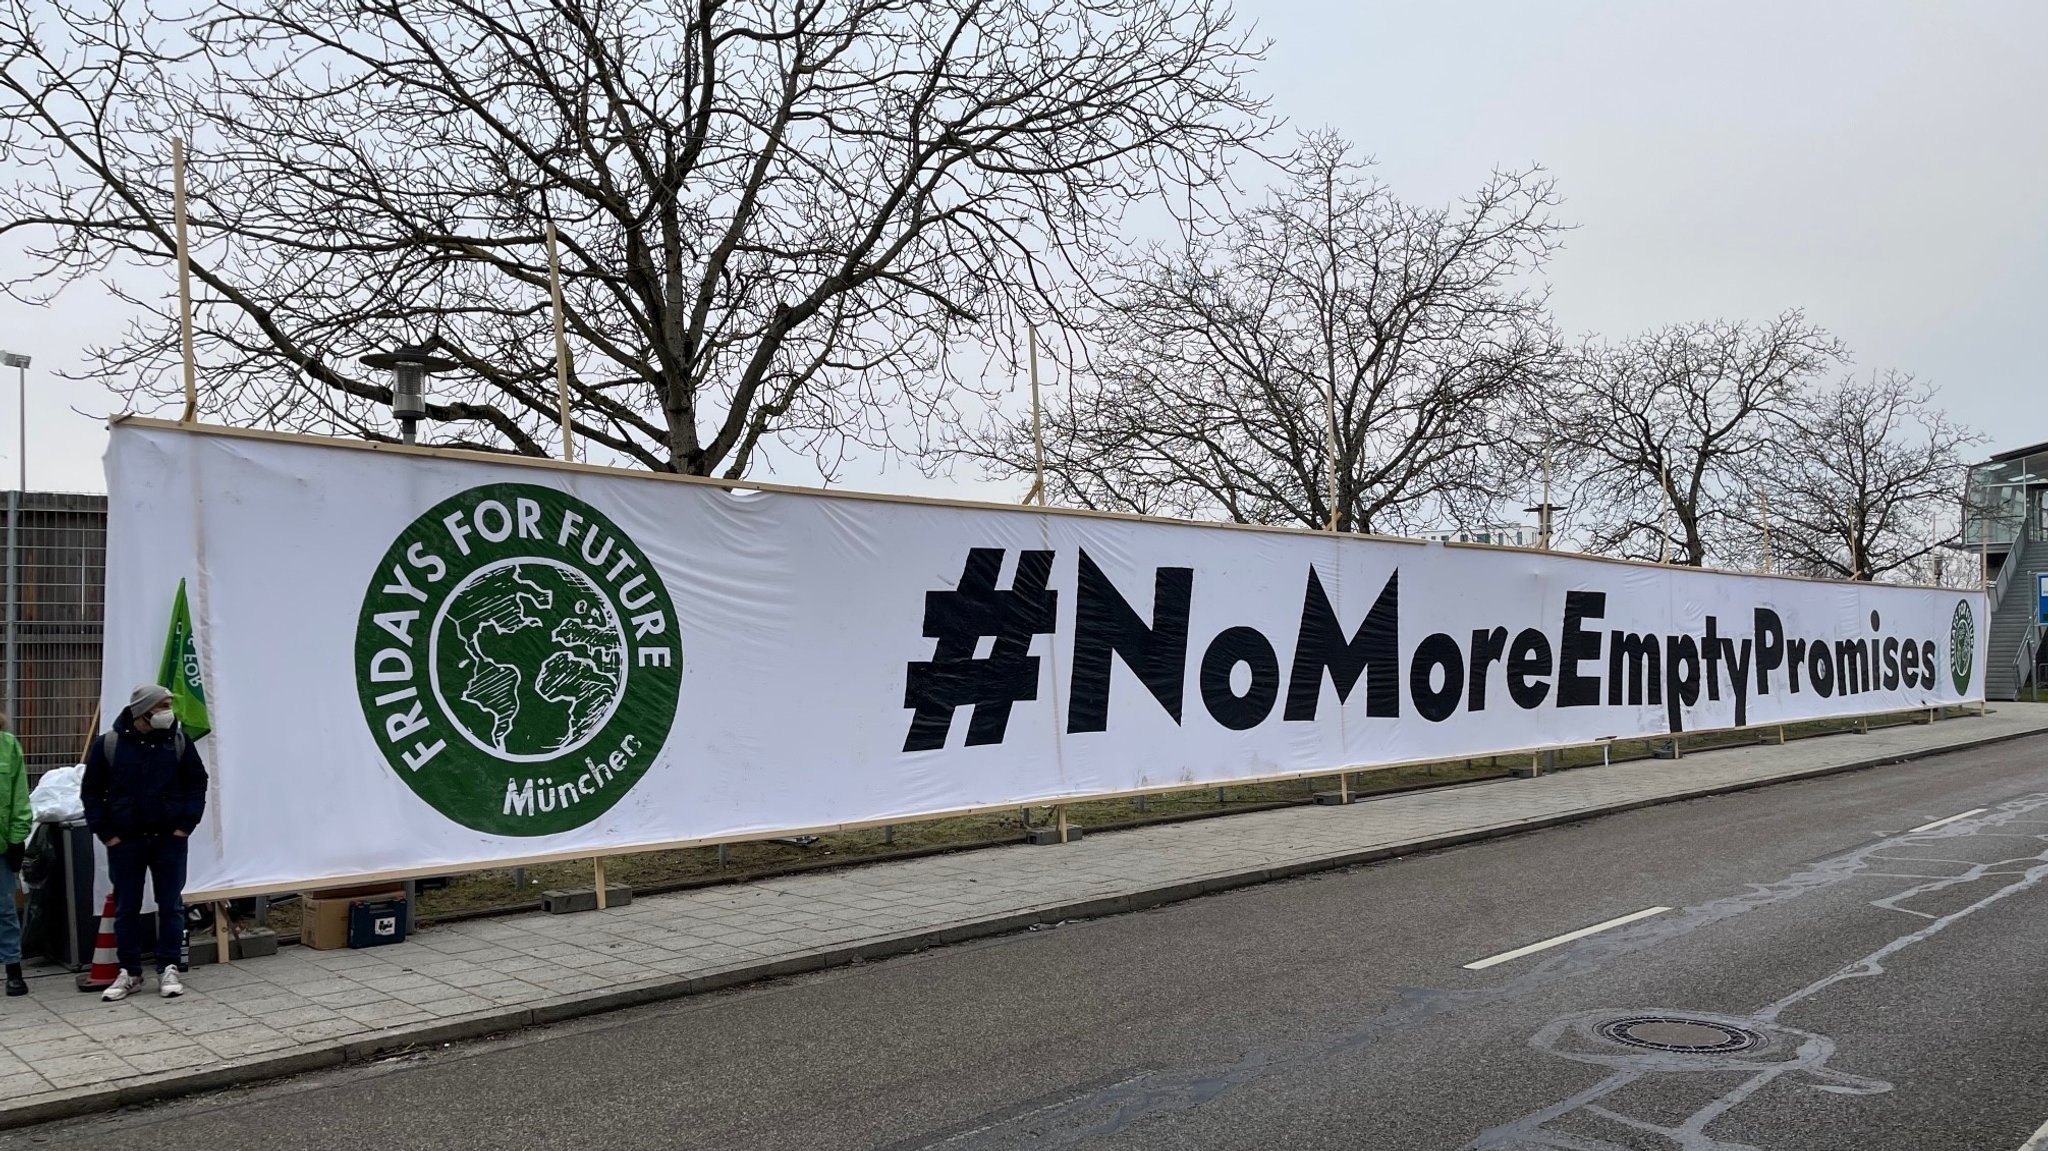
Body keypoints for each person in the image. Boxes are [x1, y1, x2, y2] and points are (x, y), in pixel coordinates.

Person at [82, 684, 207, 1001]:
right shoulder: (109, 745)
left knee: (171, 905)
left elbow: (197, 781)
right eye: (163, 705)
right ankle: (130, 972)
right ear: (143, 711)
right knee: (127, 908)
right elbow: (91, 792)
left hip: (169, 840)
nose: (169, 712)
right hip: (126, 842)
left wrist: (185, 824)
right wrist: (106, 833)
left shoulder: (177, 742)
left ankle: (169, 967)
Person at [0, 716, 29, 997]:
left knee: (6, 909)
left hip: (1, 845)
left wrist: (17, 838)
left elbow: (19, 796)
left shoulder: (8, 745)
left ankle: (13, 970)